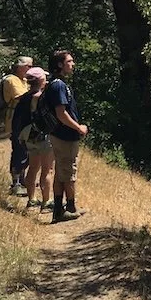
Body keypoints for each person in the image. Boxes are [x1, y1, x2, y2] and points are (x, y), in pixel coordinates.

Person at [44, 50, 88, 223]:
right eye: (69, 61)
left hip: (59, 134)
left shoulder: (56, 84)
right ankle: (70, 208)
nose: (73, 64)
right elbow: (61, 114)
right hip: (65, 136)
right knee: (69, 172)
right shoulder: (59, 86)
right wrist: (79, 128)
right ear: (60, 64)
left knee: (61, 172)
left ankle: (59, 209)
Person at [13, 67, 53, 211]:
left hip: (28, 137)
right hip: (42, 136)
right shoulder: (40, 97)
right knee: (47, 170)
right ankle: (46, 201)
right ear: (41, 80)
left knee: (33, 167)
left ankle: (32, 199)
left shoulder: (24, 97)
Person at [4, 56, 32, 195]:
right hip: (16, 119)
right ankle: (16, 183)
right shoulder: (11, 80)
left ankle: (22, 179)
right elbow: (20, 97)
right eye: (29, 66)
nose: (30, 69)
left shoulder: (24, 80)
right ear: (20, 67)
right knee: (19, 149)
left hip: (24, 119)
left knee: (26, 150)